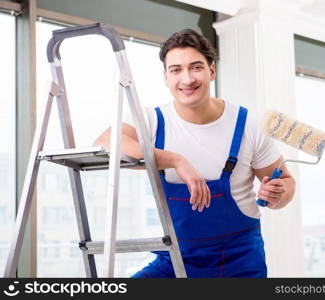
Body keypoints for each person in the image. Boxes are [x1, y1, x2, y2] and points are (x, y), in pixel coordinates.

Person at [93, 28, 296, 278]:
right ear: (166, 77)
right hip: (174, 259)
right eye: (176, 70)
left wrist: (279, 193)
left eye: (196, 67)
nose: (187, 79)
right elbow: (106, 141)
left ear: (211, 72)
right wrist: (175, 160)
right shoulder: (152, 120)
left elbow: (285, 182)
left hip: (239, 262)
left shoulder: (247, 125)